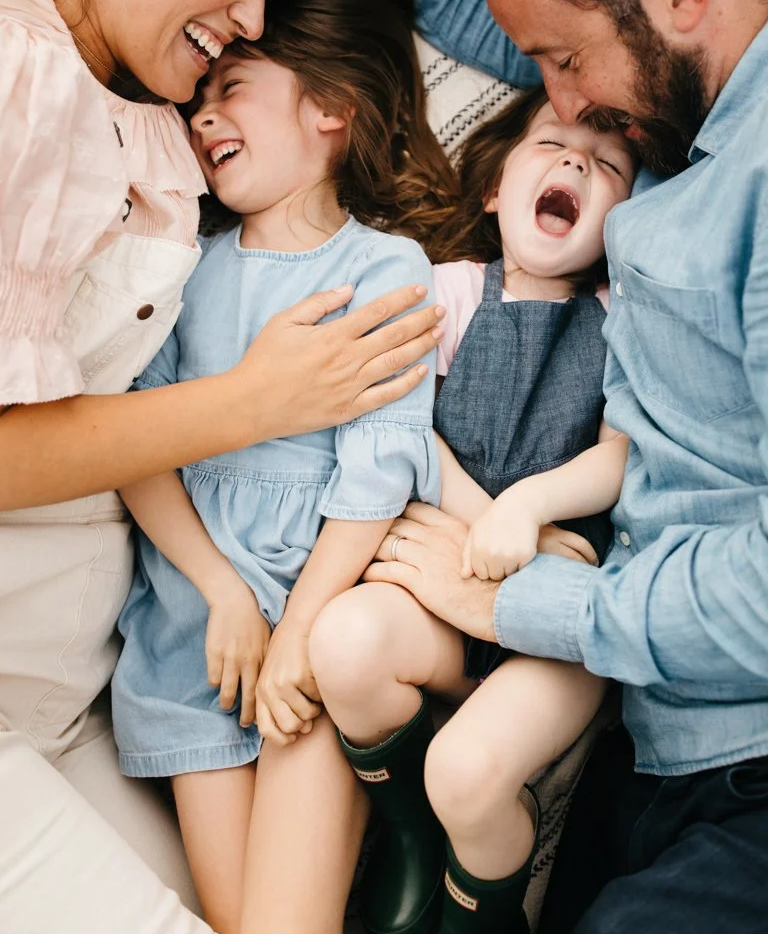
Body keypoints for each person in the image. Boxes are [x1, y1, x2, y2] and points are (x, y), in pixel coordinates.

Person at [0, 0, 457, 930]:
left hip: (83, 682)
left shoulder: (149, 83)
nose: (247, 21)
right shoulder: (6, 72)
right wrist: (258, 401)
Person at [298, 0, 768, 934]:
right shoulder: (680, 106)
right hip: (656, 739)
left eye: (561, 60)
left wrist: (533, 603)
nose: (556, 105)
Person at [110, 0, 459, 934]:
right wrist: (221, 591)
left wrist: (299, 630)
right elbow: (135, 444)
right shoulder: (182, 265)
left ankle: (395, 814)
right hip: (193, 639)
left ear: (330, 110)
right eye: (199, 100)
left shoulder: (380, 268)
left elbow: (379, 469)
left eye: (232, 87)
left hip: (312, 619)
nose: (202, 114)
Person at [310, 87, 636, 934]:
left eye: (608, 165)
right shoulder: (446, 291)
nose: (576, 160)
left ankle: (481, 904)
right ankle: (412, 833)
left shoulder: (622, 320)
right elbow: (404, 427)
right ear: (494, 190)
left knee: (466, 773)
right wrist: (481, 522)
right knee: (343, 643)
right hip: (444, 585)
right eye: (552, 144)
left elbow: (616, 455)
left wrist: (527, 509)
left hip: (557, 627)